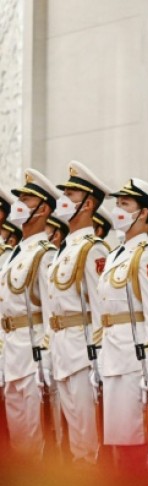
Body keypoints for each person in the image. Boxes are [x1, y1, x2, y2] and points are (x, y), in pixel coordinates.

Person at [47, 161, 111, 464]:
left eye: (71, 194)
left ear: (87, 205)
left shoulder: (92, 249)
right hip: (62, 347)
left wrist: (98, 356)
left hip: (83, 351)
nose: (64, 199)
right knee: (69, 434)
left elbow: (100, 307)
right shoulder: (64, 250)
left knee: (87, 436)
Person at [97, 178, 148, 470]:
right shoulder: (115, 255)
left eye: (125, 204)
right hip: (113, 352)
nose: (118, 210)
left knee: (135, 435)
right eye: (118, 204)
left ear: (143, 213)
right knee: (117, 436)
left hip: (134, 357)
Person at [0, 169, 60, 458]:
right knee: (17, 433)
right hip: (12, 349)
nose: (19, 204)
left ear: (43, 209)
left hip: (33, 347)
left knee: (35, 431)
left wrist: (46, 358)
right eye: (20, 198)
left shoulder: (45, 253)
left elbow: (51, 311)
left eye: (27, 199)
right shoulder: (14, 254)